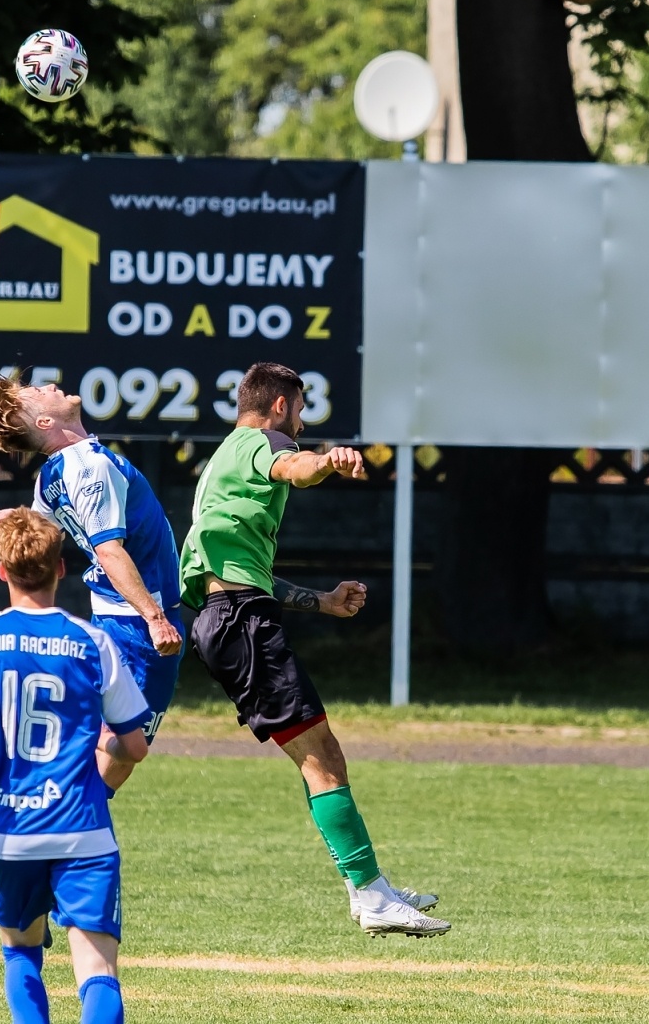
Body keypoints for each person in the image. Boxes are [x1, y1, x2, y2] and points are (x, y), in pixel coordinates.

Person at [179, 362, 450, 938]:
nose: (300, 423)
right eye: (300, 411)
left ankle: (368, 887)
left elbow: (242, 575)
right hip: (241, 624)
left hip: (236, 617)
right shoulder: (258, 444)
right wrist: (327, 461)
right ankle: (370, 896)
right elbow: (294, 466)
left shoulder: (225, 461)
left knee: (324, 751)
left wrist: (322, 602)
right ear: (279, 406)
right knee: (320, 758)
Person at [0, 507, 151, 1024]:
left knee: (21, 953)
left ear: (2, 570)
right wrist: (104, 746)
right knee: (98, 972)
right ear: (62, 569)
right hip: (83, 830)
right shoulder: (94, 642)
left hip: (8, 831)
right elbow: (134, 747)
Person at [0, 376, 181, 793]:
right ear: (46, 419)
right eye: (37, 393)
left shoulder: (53, 473)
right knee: (130, 744)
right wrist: (156, 618)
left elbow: (45, 525)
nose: (50, 384)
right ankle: (71, 805)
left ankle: (67, 816)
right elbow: (109, 550)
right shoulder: (90, 465)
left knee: (126, 750)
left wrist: (17, 517)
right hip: (137, 626)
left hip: (117, 615)